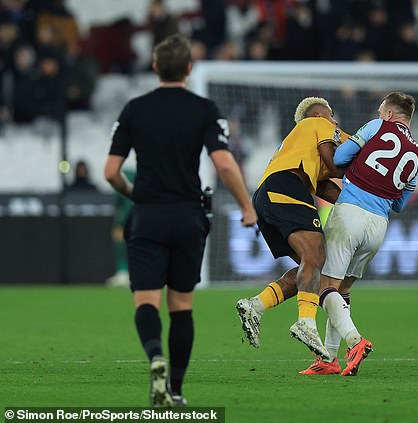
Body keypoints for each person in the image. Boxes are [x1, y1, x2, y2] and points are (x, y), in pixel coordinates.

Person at [104, 34, 257, 407]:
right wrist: (246, 206)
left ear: (155, 67)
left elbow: (111, 172)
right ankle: (176, 389)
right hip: (188, 215)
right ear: (189, 69)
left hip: (147, 216)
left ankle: (155, 354)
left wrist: (133, 194)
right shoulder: (204, 109)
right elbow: (223, 162)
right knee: (182, 305)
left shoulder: (135, 109)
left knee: (146, 301)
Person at [300, 91, 418, 376]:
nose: (380, 115)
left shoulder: (377, 126)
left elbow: (340, 157)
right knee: (342, 290)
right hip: (379, 225)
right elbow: (402, 204)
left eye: (382, 111)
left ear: (390, 114)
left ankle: (355, 340)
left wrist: (358, 165)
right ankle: (328, 360)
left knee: (325, 286)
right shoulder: (417, 153)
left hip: (350, 213)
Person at [236, 96, 346, 360]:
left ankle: (256, 306)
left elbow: (324, 186)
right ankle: (306, 323)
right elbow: (341, 158)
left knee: (312, 266)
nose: (336, 122)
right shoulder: (315, 124)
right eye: (332, 116)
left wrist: (356, 203)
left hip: (269, 195)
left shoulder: (301, 146)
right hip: (285, 187)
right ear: (321, 114)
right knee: (316, 256)